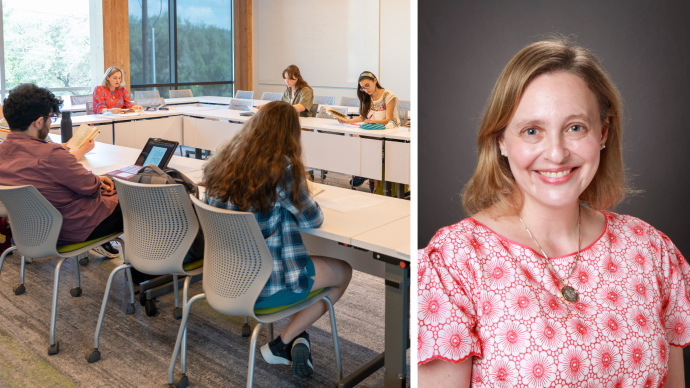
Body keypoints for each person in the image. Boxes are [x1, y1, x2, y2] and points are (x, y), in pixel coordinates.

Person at [418, 38, 689, 387]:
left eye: (576, 127)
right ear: (501, 141)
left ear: (603, 133)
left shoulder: (651, 251)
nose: (557, 153)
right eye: (532, 131)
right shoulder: (456, 263)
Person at [202, 101, 352, 377]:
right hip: (263, 285)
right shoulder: (281, 168)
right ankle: (282, 343)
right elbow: (313, 220)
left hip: (223, 277)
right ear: (290, 134)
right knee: (343, 271)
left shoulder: (222, 160)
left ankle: (300, 336)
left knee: (296, 252)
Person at [0, 84, 121, 258]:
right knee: (139, 200)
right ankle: (144, 272)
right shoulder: (51, 154)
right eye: (50, 118)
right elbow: (90, 188)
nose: (50, 123)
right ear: (38, 122)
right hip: (73, 229)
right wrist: (96, 180)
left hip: (31, 232)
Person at [340, 71, 402, 193]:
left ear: (375, 80)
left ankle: (366, 174)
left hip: (389, 132)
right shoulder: (367, 96)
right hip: (373, 132)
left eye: (367, 85)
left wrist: (372, 122)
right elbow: (363, 117)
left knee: (370, 148)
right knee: (364, 145)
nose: (365, 89)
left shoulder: (388, 96)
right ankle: (369, 176)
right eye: (363, 87)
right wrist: (347, 121)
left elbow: (389, 119)